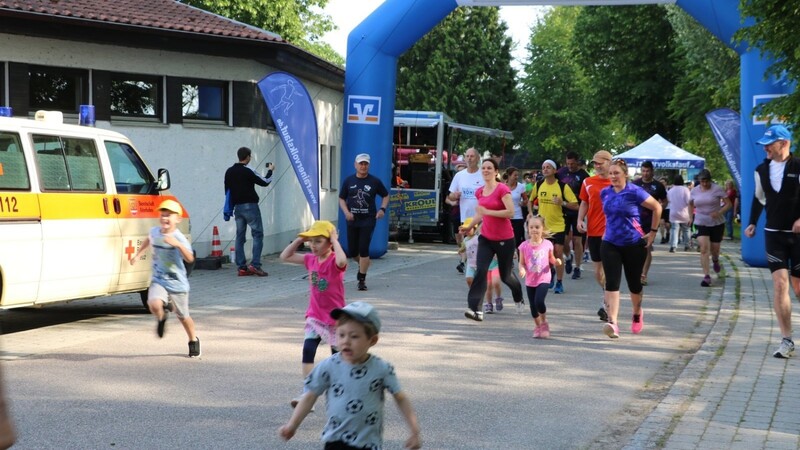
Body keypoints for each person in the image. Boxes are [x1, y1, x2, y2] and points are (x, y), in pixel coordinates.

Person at [279, 301, 422, 449]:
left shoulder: (381, 369)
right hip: (335, 440)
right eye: (341, 335)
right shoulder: (329, 366)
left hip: (368, 443)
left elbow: (401, 397)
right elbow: (309, 396)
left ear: (372, 340)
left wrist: (414, 431)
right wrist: (292, 425)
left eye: (354, 336)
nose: (346, 341)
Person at [745, 124, 800, 359]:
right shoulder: (761, 170)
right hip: (773, 233)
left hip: (798, 235)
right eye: (764, 144)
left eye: (770, 143)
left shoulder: (798, 166)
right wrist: (751, 222)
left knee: (798, 286)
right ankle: (786, 340)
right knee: (780, 284)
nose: (765, 147)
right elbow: (759, 198)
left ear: (784, 143)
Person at [279, 220, 347, 406]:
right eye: (312, 241)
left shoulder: (334, 261)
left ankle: (339, 393)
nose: (313, 245)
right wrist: (300, 239)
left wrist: (334, 239)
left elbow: (342, 260)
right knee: (308, 350)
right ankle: (307, 393)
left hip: (335, 319)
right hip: (315, 316)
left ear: (329, 243)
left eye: (318, 241)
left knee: (337, 359)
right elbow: (285, 256)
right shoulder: (310, 260)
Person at [599, 159, 662, 339]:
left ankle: (636, 312)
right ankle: (613, 322)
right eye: (610, 173)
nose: (613, 176)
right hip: (610, 243)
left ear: (625, 174)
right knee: (611, 283)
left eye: (616, 173)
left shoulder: (634, 191)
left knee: (634, 285)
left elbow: (657, 207)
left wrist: (653, 232)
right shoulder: (605, 193)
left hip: (634, 244)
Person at [130, 199, 200, 357]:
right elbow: (149, 239)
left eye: (169, 215)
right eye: (163, 215)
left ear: (178, 219)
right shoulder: (155, 231)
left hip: (177, 282)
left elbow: (190, 259)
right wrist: (138, 254)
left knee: (183, 316)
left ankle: (193, 340)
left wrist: (178, 245)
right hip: (159, 278)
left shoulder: (179, 237)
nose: (165, 218)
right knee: (153, 303)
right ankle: (162, 317)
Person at [462, 159, 525, 321]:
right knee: (480, 271)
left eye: (489, 168)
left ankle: (518, 296)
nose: (486, 170)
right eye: (483, 168)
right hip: (486, 238)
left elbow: (510, 212)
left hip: (505, 239)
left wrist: (488, 211)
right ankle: (475, 309)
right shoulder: (480, 191)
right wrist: (469, 227)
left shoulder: (502, 189)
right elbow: (480, 213)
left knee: (506, 276)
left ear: (496, 171)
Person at [339, 153, 389, 291]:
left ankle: (362, 279)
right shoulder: (349, 181)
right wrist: (346, 212)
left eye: (365, 164)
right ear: (355, 165)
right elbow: (341, 198)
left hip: (368, 219)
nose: (363, 166)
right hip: (352, 220)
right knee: (353, 250)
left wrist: (382, 209)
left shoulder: (374, 181)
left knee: (364, 248)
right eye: (361, 163)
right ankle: (364, 263)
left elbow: (385, 195)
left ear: (369, 165)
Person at [529, 159, 578, 294]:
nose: (545, 169)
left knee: (557, 253)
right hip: (543, 228)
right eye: (543, 167)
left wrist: (562, 203)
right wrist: (530, 214)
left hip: (559, 226)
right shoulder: (538, 185)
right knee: (546, 255)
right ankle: (551, 273)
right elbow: (530, 200)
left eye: (548, 167)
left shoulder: (562, 186)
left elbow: (575, 205)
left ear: (555, 170)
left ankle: (560, 282)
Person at [224, 146, 274, 277]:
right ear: (247, 157)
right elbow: (265, 182)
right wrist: (270, 171)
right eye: (250, 156)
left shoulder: (229, 171)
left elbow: (227, 192)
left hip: (238, 208)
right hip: (250, 206)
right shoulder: (248, 170)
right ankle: (255, 265)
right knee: (257, 234)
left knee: (240, 236)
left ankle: (241, 267)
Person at [577, 150, 613, 321]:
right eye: (595, 163)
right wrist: (579, 219)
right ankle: (606, 294)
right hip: (594, 232)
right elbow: (584, 202)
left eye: (600, 163)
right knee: (597, 272)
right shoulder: (588, 182)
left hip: (612, 233)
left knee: (608, 270)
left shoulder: (617, 181)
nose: (597, 166)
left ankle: (607, 306)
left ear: (609, 162)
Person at [519, 215, 562, 338]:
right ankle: (538, 326)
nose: (534, 230)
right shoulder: (524, 246)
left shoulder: (548, 244)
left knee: (539, 301)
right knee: (533, 308)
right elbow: (521, 262)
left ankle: (544, 323)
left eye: (537, 227)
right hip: (530, 280)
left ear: (542, 228)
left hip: (544, 277)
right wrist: (522, 269)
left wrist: (556, 261)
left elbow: (551, 258)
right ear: (528, 228)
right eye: (531, 227)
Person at [690, 169, 731, 287]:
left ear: (710, 180)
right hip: (701, 222)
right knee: (704, 249)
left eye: (706, 181)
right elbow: (690, 204)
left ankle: (715, 260)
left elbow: (729, 204)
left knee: (715, 249)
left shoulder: (717, 188)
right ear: (699, 181)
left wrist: (719, 212)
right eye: (702, 181)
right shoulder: (694, 191)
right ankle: (706, 276)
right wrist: (690, 217)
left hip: (716, 223)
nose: (704, 184)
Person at [632, 161, 667, 286]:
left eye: (648, 171)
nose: (645, 173)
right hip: (636, 220)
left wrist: (660, 209)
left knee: (646, 248)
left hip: (650, 221)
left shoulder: (658, 186)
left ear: (652, 171)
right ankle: (636, 271)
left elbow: (664, 201)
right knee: (635, 249)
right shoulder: (635, 184)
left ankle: (643, 274)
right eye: (643, 171)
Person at [557, 151, 590, 280]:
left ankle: (577, 267)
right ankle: (568, 257)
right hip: (563, 210)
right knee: (564, 239)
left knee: (577, 240)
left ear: (577, 162)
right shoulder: (561, 173)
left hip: (578, 210)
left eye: (572, 163)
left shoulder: (583, 176)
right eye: (568, 163)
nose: (570, 166)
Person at [503, 166, 528, 249]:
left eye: (517, 175)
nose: (517, 177)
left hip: (518, 216)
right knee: (506, 239)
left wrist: (523, 203)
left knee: (518, 240)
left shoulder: (521, 187)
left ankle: (520, 258)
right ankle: (509, 259)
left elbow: (526, 200)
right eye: (515, 175)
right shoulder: (502, 186)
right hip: (506, 216)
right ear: (509, 176)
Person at [667, 175, 691, 252]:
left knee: (674, 229)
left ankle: (673, 246)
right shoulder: (685, 189)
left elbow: (669, 200)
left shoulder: (670, 190)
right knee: (686, 230)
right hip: (684, 213)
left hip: (674, 212)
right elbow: (689, 201)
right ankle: (687, 245)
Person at [658, 177, 672, 244]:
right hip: (660, 208)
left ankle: (668, 233)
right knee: (661, 223)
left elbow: (670, 200)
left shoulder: (669, 191)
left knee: (667, 225)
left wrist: (664, 201)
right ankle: (662, 237)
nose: (662, 183)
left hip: (667, 208)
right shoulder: (658, 190)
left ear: (666, 183)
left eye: (663, 182)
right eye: (661, 182)